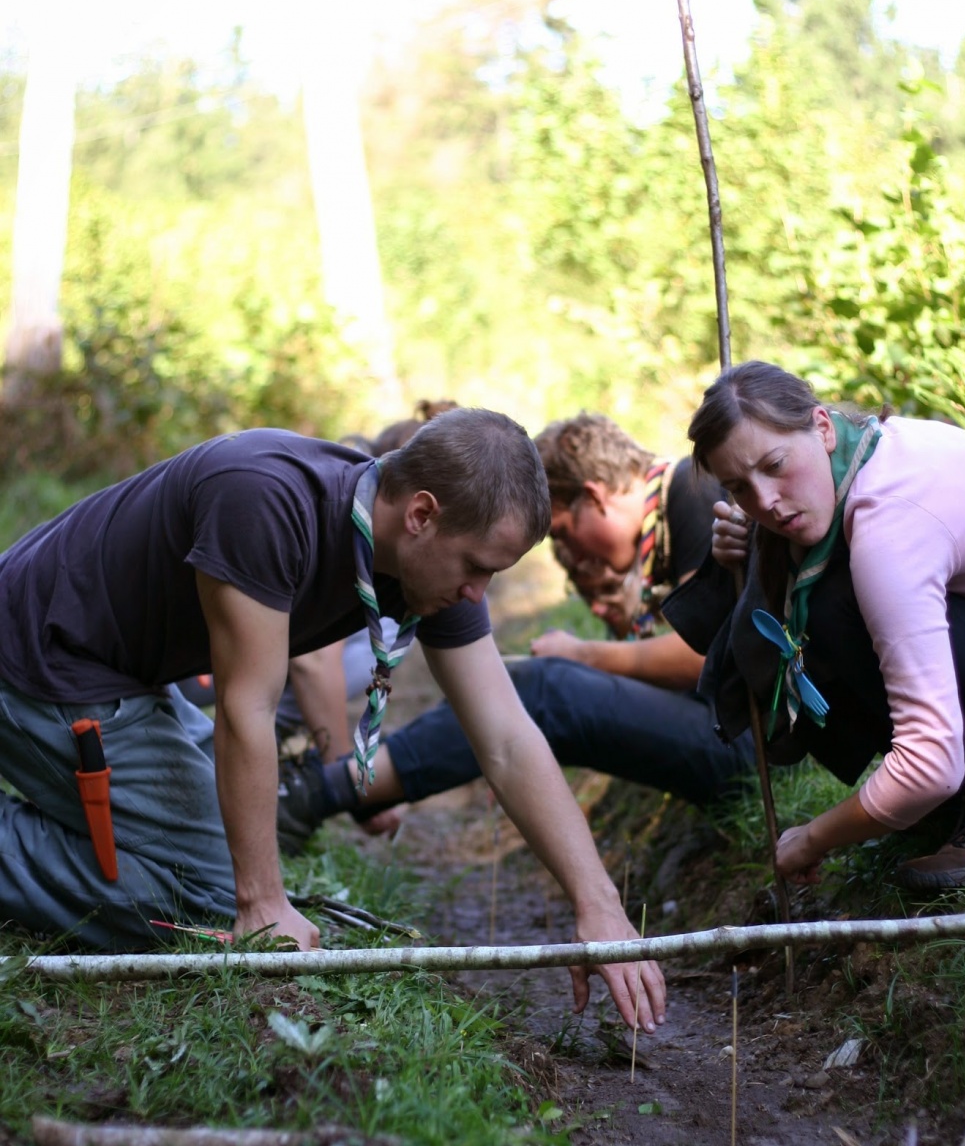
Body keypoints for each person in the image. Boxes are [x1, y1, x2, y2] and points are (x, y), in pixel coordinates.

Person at [0, 410, 666, 1032]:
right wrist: (260, 902)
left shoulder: (425, 562)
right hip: (43, 656)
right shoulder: (265, 499)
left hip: (123, 675)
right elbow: (245, 708)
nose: (476, 594)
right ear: (422, 515)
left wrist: (598, 903)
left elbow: (507, 738)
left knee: (228, 850)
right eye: (476, 568)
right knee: (209, 896)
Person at [280, 412, 754, 825]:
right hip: (722, 727)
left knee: (544, 690)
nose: (571, 557)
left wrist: (585, 654)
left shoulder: (694, 493)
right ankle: (343, 784)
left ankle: (322, 793)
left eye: (565, 536)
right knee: (512, 691)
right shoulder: (672, 516)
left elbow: (701, 659)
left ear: (594, 498)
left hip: (748, 745)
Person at [682, 359, 965, 891]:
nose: (766, 502)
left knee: (837, 600)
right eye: (739, 488)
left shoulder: (889, 523)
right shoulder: (875, 448)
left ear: (823, 427)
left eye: (775, 465)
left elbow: (930, 762)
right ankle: (962, 800)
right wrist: (755, 543)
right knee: (833, 598)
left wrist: (813, 837)